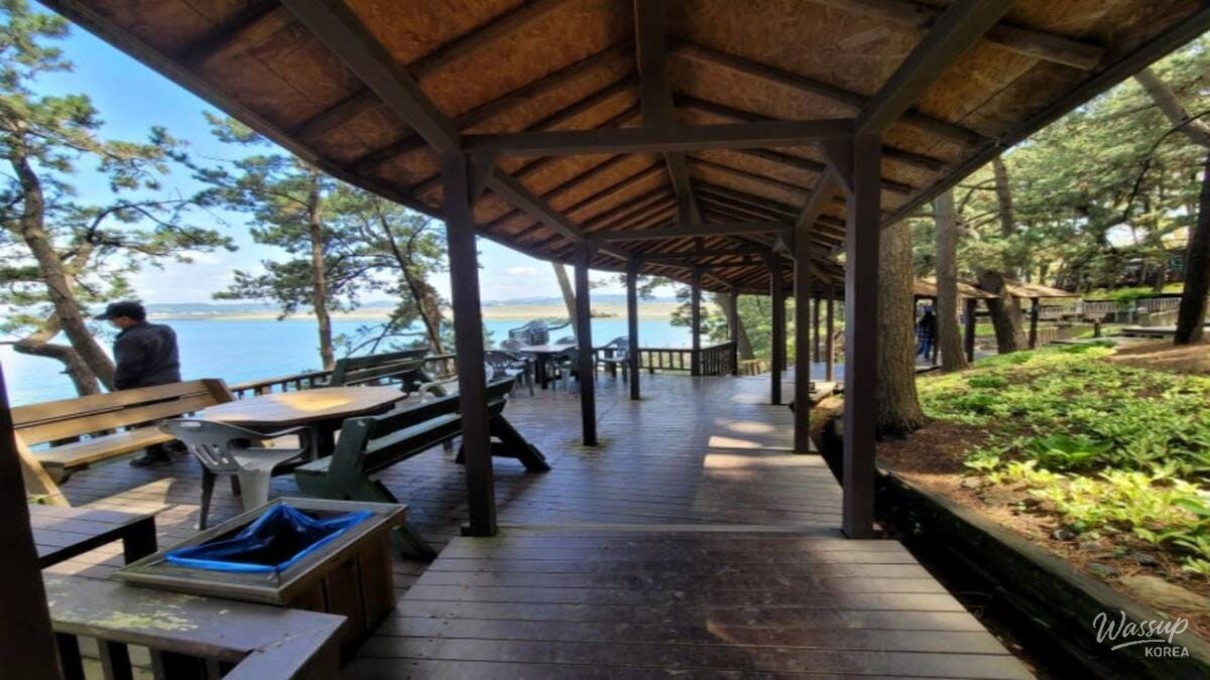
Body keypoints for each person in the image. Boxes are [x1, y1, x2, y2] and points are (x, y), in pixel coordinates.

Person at [94, 301, 182, 467]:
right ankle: (179, 444)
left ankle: (156, 454)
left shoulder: (129, 339)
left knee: (143, 421)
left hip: (143, 388)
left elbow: (128, 366)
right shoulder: (165, 330)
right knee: (172, 415)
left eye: (112, 319)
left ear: (125, 319)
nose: (111, 323)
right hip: (172, 383)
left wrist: (119, 385)